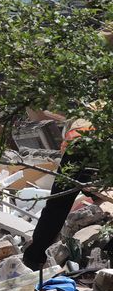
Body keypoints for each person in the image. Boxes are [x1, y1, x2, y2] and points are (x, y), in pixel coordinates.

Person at [22, 110, 98, 270]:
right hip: (87, 150)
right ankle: (34, 257)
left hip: (83, 150)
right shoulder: (85, 127)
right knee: (58, 205)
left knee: (57, 206)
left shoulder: (85, 118)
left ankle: (34, 257)